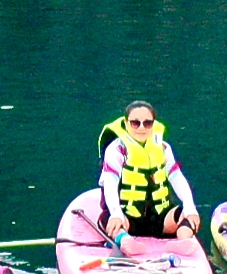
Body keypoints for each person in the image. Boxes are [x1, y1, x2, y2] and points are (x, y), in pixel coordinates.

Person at [77, 105, 198, 256]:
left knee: (187, 215)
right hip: (127, 216)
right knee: (110, 221)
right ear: (126, 123)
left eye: (147, 123)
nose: (141, 128)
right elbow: (110, 183)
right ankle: (124, 239)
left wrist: (190, 206)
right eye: (135, 123)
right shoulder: (117, 150)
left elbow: (176, 176)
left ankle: (183, 240)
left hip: (159, 217)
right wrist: (116, 213)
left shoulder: (163, 148)